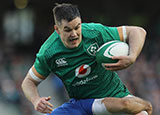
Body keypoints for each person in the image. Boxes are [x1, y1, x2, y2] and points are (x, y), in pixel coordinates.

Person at [21, 3, 152, 115]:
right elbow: (28, 82)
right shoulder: (49, 52)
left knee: (141, 113)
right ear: (57, 30)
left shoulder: (95, 33)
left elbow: (137, 31)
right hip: (81, 104)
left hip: (115, 94)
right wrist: (36, 100)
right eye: (67, 30)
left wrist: (131, 57)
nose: (74, 34)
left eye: (77, 27)